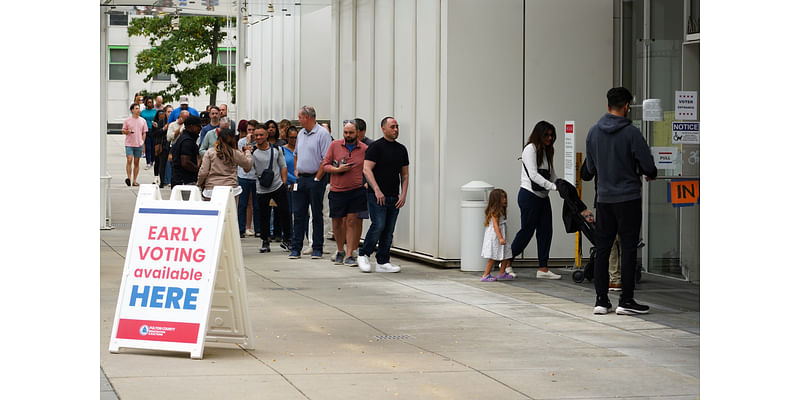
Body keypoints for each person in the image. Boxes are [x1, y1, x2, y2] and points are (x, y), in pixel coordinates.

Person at [584, 86, 657, 315]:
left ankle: (601, 300)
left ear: (608, 106)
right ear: (627, 106)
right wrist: (647, 172)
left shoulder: (593, 132)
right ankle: (625, 300)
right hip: (628, 198)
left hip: (604, 199)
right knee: (627, 248)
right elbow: (648, 167)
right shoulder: (632, 133)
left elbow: (590, 168)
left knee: (603, 248)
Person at [508, 120, 561, 280]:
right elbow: (533, 175)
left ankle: (543, 268)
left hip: (543, 197)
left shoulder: (547, 151)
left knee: (546, 231)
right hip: (529, 196)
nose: (550, 138)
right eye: (547, 135)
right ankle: (506, 262)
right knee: (527, 231)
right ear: (539, 135)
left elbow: (552, 173)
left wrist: (560, 185)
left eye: (552, 135)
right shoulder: (530, 149)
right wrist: (552, 187)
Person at [356, 116, 409, 273]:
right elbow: (367, 169)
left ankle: (383, 261)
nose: (396, 130)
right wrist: (377, 189)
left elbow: (405, 175)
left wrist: (403, 194)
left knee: (389, 229)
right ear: (383, 128)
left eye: (397, 127)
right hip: (377, 195)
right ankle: (363, 253)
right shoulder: (376, 147)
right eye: (392, 127)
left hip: (394, 196)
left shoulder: (401, 149)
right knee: (378, 225)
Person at [323, 120, 368, 267]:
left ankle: (349, 253)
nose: (348, 135)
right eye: (346, 132)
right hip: (337, 190)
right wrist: (338, 170)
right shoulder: (335, 145)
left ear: (358, 133)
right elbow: (325, 165)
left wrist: (367, 181)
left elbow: (370, 167)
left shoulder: (364, 149)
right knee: (336, 222)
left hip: (356, 190)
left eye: (351, 133)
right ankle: (340, 250)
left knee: (351, 221)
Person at [289, 106, 332, 259]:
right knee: (298, 214)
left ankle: (317, 248)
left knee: (316, 214)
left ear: (307, 117)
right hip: (301, 178)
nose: (299, 120)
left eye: (300, 117)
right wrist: (296, 171)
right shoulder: (301, 133)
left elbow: (326, 159)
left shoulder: (322, 134)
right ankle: (296, 248)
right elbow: (296, 155)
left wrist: (317, 178)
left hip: (315, 178)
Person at [252, 124, 291, 253]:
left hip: (277, 186)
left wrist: (284, 183)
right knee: (264, 215)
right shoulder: (252, 151)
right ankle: (265, 240)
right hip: (262, 188)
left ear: (267, 135)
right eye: (256, 135)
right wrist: (246, 152)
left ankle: (287, 239)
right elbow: (246, 168)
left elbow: (283, 166)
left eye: (261, 135)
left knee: (285, 213)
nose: (258, 137)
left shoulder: (276, 149)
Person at [197, 128, 253, 201]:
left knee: (213, 212)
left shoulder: (210, 152)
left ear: (218, 139)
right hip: (231, 189)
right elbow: (248, 164)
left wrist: (199, 184)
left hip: (212, 189)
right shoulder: (235, 153)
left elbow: (203, 172)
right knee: (231, 212)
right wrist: (248, 151)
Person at [479, 189, 515, 282]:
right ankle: (485, 275)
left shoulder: (501, 210)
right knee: (493, 256)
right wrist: (500, 238)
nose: (505, 200)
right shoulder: (495, 211)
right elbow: (495, 226)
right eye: (502, 198)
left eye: (505, 197)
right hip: (495, 237)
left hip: (501, 236)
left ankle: (502, 272)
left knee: (506, 255)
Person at [237, 120, 260, 238]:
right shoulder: (241, 142)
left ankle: (258, 229)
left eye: (253, 130)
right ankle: (241, 228)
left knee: (256, 204)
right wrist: (247, 144)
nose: (250, 132)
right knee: (242, 203)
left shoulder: (259, 143)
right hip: (243, 176)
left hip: (256, 176)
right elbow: (240, 157)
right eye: (249, 130)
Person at [171, 115, 202, 187]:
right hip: (184, 181)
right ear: (191, 126)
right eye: (198, 126)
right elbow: (185, 162)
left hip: (179, 180)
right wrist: (197, 171)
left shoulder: (184, 138)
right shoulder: (187, 141)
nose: (200, 129)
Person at [122, 102, 149, 187]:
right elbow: (123, 131)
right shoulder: (127, 120)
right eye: (136, 109)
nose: (138, 110)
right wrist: (127, 131)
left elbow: (144, 133)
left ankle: (134, 180)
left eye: (139, 109)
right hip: (129, 143)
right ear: (132, 110)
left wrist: (142, 142)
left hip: (139, 144)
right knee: (129, 160)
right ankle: (129, 179)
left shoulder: (143, 120)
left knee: (136, 162)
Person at [150, 109, 169, 187]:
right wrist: (163, 129)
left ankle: (166, 180)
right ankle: (160, 180)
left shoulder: (172, 122)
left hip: (168, 144)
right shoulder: (159, 123)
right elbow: (154, 134)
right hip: (160, 145)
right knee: (160, 162)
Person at [140, 97, 158, 170]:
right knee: (148, 147)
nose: (149, 104)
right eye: (148, 102)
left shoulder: (155, 111)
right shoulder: (143, 112)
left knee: (153, 147)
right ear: (146, 103)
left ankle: (152, 161)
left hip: (154, 130)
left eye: (151, 102)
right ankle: (148, 162)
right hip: (146, 130)